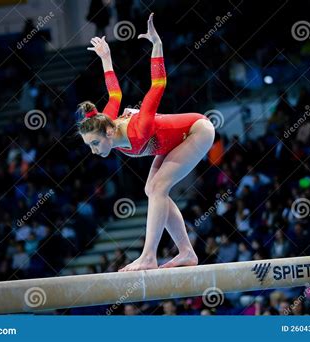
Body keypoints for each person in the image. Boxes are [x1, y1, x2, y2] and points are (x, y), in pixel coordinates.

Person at [77, 13, 215, 271]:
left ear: (107, 134)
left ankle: (149, 255)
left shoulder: (138, 130)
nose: (93, 151)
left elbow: (158, 84)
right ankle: (186, 252)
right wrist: (106, 58)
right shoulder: (106, 119)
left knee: (159, 187)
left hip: (197, 130)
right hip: (171, 142)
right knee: (152, 189)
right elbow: (114, 92)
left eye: (94, 144)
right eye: (89, 147)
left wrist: (156, 44)